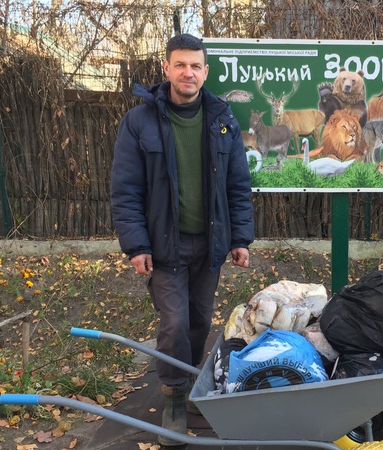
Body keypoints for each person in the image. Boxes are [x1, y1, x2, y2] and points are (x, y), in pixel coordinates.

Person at [110, 33, 254, 446]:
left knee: (198, 320)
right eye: (180, 64)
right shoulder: (139, 123)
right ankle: (174, 394)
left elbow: (238, 186)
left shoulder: (222, 119)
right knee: (173, 322)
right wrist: (137, 245)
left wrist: (240, 237)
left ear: (205, 72)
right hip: (163, 245)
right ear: (166, 69)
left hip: (209, 246)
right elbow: (126, 190)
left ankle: (190, 385)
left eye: (195, 65)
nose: (188, 72)